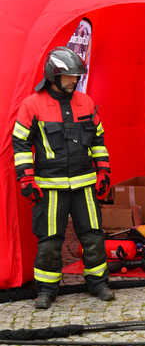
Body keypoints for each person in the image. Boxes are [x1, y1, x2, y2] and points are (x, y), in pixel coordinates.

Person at [11, 46, 114, 309]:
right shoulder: (31, 105)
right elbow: (20, 144)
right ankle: (46, 289)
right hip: (50, 187)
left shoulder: (86, 102)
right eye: (69, 76)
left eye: (76, 76)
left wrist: (103, 171)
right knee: (50, 240)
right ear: (54, 76)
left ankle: (98, 282)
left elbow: (98, 140)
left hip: (84, 185)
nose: (74, 80)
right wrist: (26, 178)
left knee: (93, 236)